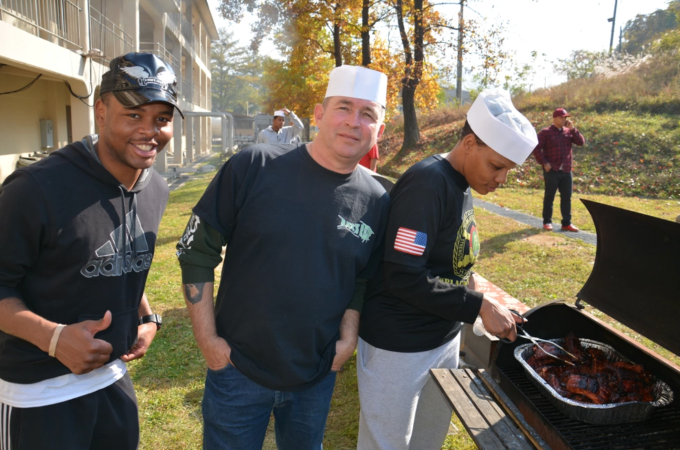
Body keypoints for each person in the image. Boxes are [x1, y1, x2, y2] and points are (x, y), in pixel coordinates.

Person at [176, 65, 390, 450]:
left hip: (317, 374)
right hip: (237, 369)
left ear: (380, 131)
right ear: (319, 115)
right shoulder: (255, 166)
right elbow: (196, 250)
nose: (353, 122)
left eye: (368, 114)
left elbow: (362, 276)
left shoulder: (377, 200)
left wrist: (348, 338)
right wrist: (208, 340)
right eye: (343, 108)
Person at [0, 52, 179, 449]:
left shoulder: (155, 189)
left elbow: (115, 252)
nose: (149, 130)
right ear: (100, 112)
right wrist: (54, 338)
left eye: (161, 119)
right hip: (38, 393)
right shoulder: (35, 189)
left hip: (113, 379)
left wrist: (149, 318)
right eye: (133, 115)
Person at [356, 88, 537, 450]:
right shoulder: (428, 184)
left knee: (427, 440)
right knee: (387, 444)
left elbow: (452, 259)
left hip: (442, 337)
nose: (501, 179)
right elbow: (403, 275)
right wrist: (478, 307)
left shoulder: (463, 183)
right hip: (400, 345)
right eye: (497, 166)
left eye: (508, 170)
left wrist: (485, 298)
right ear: (470, 144)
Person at [532, 107, 586, 232]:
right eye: (562, 117)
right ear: (555, 118)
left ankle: (566, 223)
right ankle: (547, 222)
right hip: (552, 170)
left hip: (566, 170)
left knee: (567, 197)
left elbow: (581, 142)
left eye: (565, 117)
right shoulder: (545, 132)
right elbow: (536, 148)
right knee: (549, 196)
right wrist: (544, 163)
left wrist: (573, 129)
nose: (564, 119)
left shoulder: (568, 132)